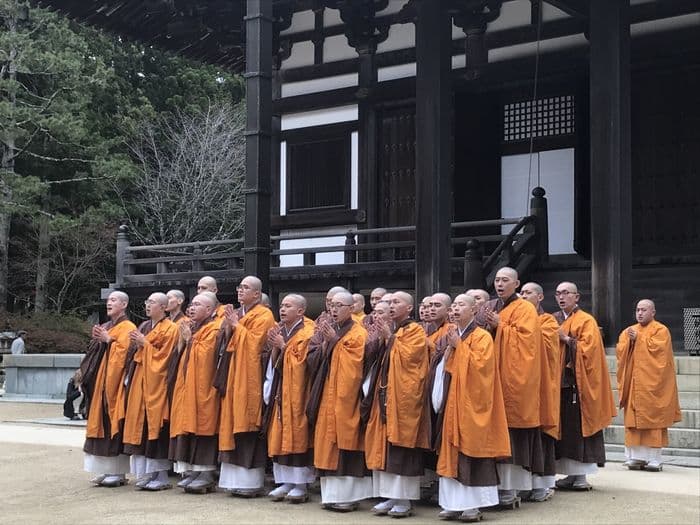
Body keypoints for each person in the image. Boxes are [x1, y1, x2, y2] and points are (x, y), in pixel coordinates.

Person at [435, 294, 511, 522]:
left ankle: (472, 506)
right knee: (451, 449)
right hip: (454, 401)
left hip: (474, 403)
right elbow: (447, 367)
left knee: (472, 447)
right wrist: (449, 351)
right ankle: (452, 503)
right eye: (454, 305)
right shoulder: (453, 334)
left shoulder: (482, 336)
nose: (456, 309)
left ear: (473, 310)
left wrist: (460, 348)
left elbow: (482, 370)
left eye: (461, 305)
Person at [365, 292, 430, 518]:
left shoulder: (414, 331)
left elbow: (412, 360)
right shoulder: (394, 330)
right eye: (389, 302)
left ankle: (404, 500)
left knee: (401, 447)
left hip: (404, 398)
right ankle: (389, 496)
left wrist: (391, 339)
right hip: (384, 395)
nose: (391, 306)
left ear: (409, 308)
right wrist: (384, 338)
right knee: (383, 446)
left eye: (397, 302)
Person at [482, 267, 543, 508]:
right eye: (496, 280)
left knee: (513, 433)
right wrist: (492, 326)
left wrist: (501, 326)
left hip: (516, 379)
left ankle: (511, 489)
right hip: (494, 376)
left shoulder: (525, 308)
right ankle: (497, 488)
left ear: (516, 284)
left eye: (505, 280)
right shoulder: (494, 306)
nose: (499, 284)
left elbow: (526, 342)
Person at [307, 290, 370, 512]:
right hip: (328, 395)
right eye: (332, 305)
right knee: (327, 443)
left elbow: (356, 366)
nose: (334, 309)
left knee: (345, 440)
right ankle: (331, 496)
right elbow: (313, 358)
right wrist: (325, 345)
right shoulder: (330, 330)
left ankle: (348, 497)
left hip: (347, 398)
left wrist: (335, 342)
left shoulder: (358, 333)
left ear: (352, 308)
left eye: (339, 305)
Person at [553, 282, 616, 490]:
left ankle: (581, 476)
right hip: (559, 383)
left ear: (577, 297)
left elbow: (590, 351)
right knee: (565, 430)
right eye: (558, 293)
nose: (561, 297)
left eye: (566, 293)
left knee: (580, 429)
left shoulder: (586, 320)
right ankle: (570, 474)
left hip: (579, 385)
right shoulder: (554, 319)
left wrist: (568, 340)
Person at [217, 275, 277, 496]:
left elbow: (256, 346)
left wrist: (236, 326)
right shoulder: (240, 314)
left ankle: (250, 484)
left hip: (250, 378)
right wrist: (227, 327)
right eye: (239, 287)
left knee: (247, 422)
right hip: (234, 376)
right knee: (231, 421)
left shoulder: (264, 315)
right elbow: (226, 343)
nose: (241, 291)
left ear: (257, 294)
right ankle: (232, 481)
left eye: (246, 287)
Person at [122, 293, 180, 491]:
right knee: (142, 426)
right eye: (146, 301)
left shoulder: (171, 329)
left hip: (157, 386)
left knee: (156, 427)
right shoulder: (145, 327)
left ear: (164, 307)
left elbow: (164, 359)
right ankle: (147, 474)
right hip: (141, 381)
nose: (147, 305)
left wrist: (144, 344)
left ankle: (161, 476)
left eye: (152, 302)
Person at [616, 299, 681, 472]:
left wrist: (640, 339)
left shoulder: (661, 330)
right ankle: (635, 457)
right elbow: (620, 351)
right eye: (637, 310)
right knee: (633, 421)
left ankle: (654, 459)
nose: (640, 313)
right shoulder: (629, 331)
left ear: (653, 312)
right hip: (634, 384)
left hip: (653, 386)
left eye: (644, 310)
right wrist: (630, 342)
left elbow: (661, 353)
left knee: (653, 421)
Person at [169, 292, 223, 493]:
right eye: (191, 304)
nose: (192, 308)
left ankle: (206, 473)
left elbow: (207, 357)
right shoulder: (192, 327)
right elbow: (182, 355)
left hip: (204, 388)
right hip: (187, 387)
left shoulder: (214, 328)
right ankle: (191, 471)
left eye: (197, 304)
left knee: (203, 426)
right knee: (186, 426)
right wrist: (185, 341)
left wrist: (190, 339)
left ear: (209, 310)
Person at [264, 294, 316, 503]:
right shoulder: (280, 329)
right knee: (279, 434)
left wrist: (283, 346)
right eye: (282, 305)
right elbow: (274, 363)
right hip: (281, 390)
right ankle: (284, 482)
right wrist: (276, 347)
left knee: (297, 434)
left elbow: (304, 362)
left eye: (288, 306)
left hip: (298, 392)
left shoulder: (308, 332)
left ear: (301, 311)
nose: (282, 309)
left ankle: (301, 485)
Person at [82, 291, 137, 487]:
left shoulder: (128, 327)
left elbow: (126, 354)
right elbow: (95, 355)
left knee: (113, 426)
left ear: (124, 304)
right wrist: (98, 342)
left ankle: (118, 472)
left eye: (114, 300)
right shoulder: (106, 326)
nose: (109, 303)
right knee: (99, 427)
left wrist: (108, 341)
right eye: (108, 300)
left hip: (115, 387)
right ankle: (104, 470)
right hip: (101, 385)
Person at [519, 282, 563, 501]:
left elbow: (547, 351)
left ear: (540, 297)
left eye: (528, 293)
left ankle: (542, 484)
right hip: (521, 385)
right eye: (523, 293)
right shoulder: (516, 318)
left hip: (541, 384)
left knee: (541, 436)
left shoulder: (546, 321)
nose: (524, 296)